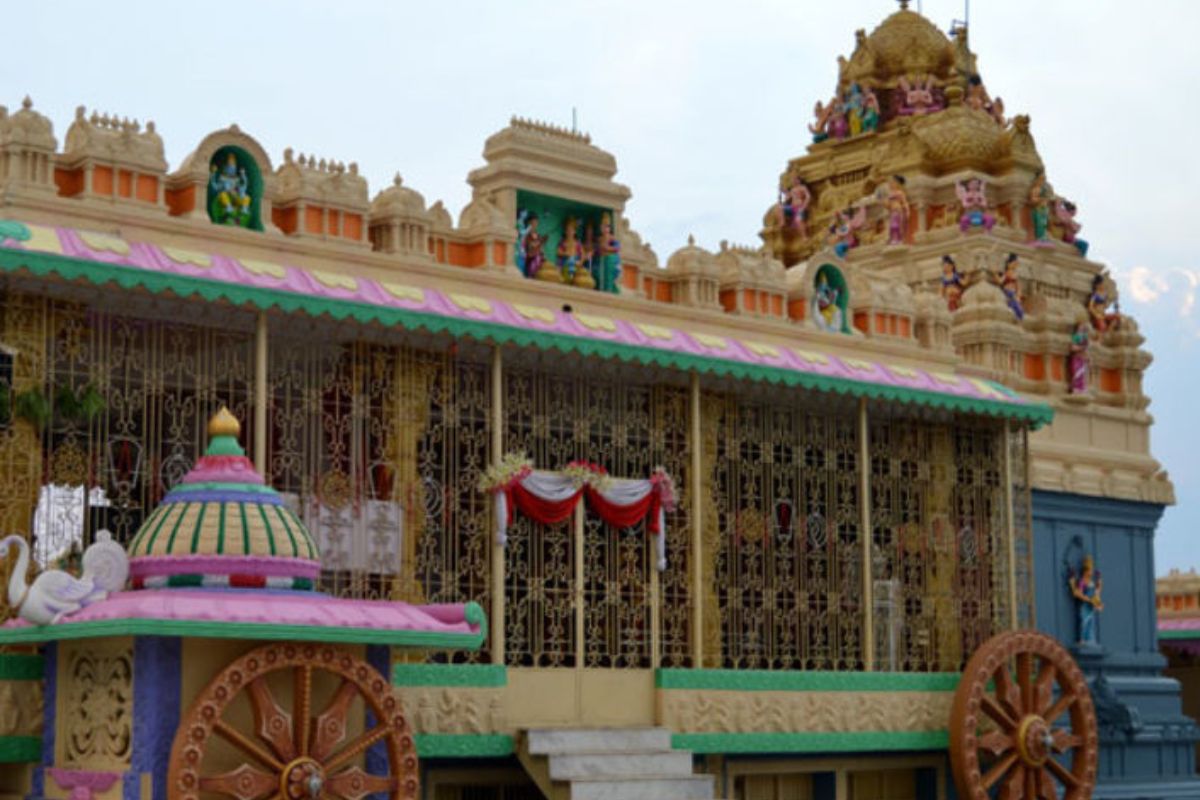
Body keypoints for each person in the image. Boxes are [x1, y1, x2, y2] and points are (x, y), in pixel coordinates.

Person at [1069, 555, 1104, 645]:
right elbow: (1077, 593)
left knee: (1090, 623)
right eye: (1089, 571)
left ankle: (1089, 639)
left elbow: (1097, 591)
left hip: (1090, 608)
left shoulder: (1092, 582)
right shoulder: (1082, 582)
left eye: (1091, 571)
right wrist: (1089, 600)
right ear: (1085, 571)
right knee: (1083, 621)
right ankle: (1081, 639)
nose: (1090, 573)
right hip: (1084, 606)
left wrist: (1097, 602)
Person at [1029, 170, 1053, 242]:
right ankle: (1039, 238)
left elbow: (1049, 198)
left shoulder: (1044, 190)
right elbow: (1033, 200)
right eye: (1041, 179)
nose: (1042, 181)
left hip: (1044, 210)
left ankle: (1043, 238)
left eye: (1044, 179)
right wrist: (1041, 199)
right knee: (1039, 225)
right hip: (1038, 209)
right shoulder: (1035, 189)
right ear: (1037, 179)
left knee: (1044, 224)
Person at [998, 253, 1024, 321]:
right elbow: (1000, 282)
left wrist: (1018, 295)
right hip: (1007, 292)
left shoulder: (1016, 275)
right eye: (1013, 263)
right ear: (1008, 264)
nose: (1014, 265)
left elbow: (1019, 287)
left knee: (1018, 309)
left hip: (1013, 294)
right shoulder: (1006, 273)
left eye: (1015, 264)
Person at [885, 176, 910, 245]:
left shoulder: (900, 193)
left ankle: (899, 239)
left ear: (897, 184)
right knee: (892, 226)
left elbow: (904, 202)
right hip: (892, 212)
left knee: (898, 225)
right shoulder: (889, 194)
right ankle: (894, 238)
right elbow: (887, 204)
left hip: (898, 211)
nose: (891, 185)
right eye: (890, 183)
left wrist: (907, 210)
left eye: (893, 183)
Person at [1068, 321, 1090, 394]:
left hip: (1082, 358)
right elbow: (1072, 348)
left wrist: (1086, 355)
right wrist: (1081, 348)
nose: (1082, 327)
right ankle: (1075, 388)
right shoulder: (1075, 336)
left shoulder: (1084, 337)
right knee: (1076, 373)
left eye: (1083, 326)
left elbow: (1087, 348)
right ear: (1077, 327)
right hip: (1076, 357)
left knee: (1083, 374)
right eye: (1081, 326)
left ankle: (1082, 388)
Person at [522, 213, 547, 277]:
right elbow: (527, 245)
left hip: (537, 258)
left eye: (536, 222)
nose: (534, 224)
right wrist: (536, 244)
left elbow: (541, 248)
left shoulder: (538, 236)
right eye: (532, 222)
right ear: (529, 223)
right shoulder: (526, 234)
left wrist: (543, 253)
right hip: (529, 258)